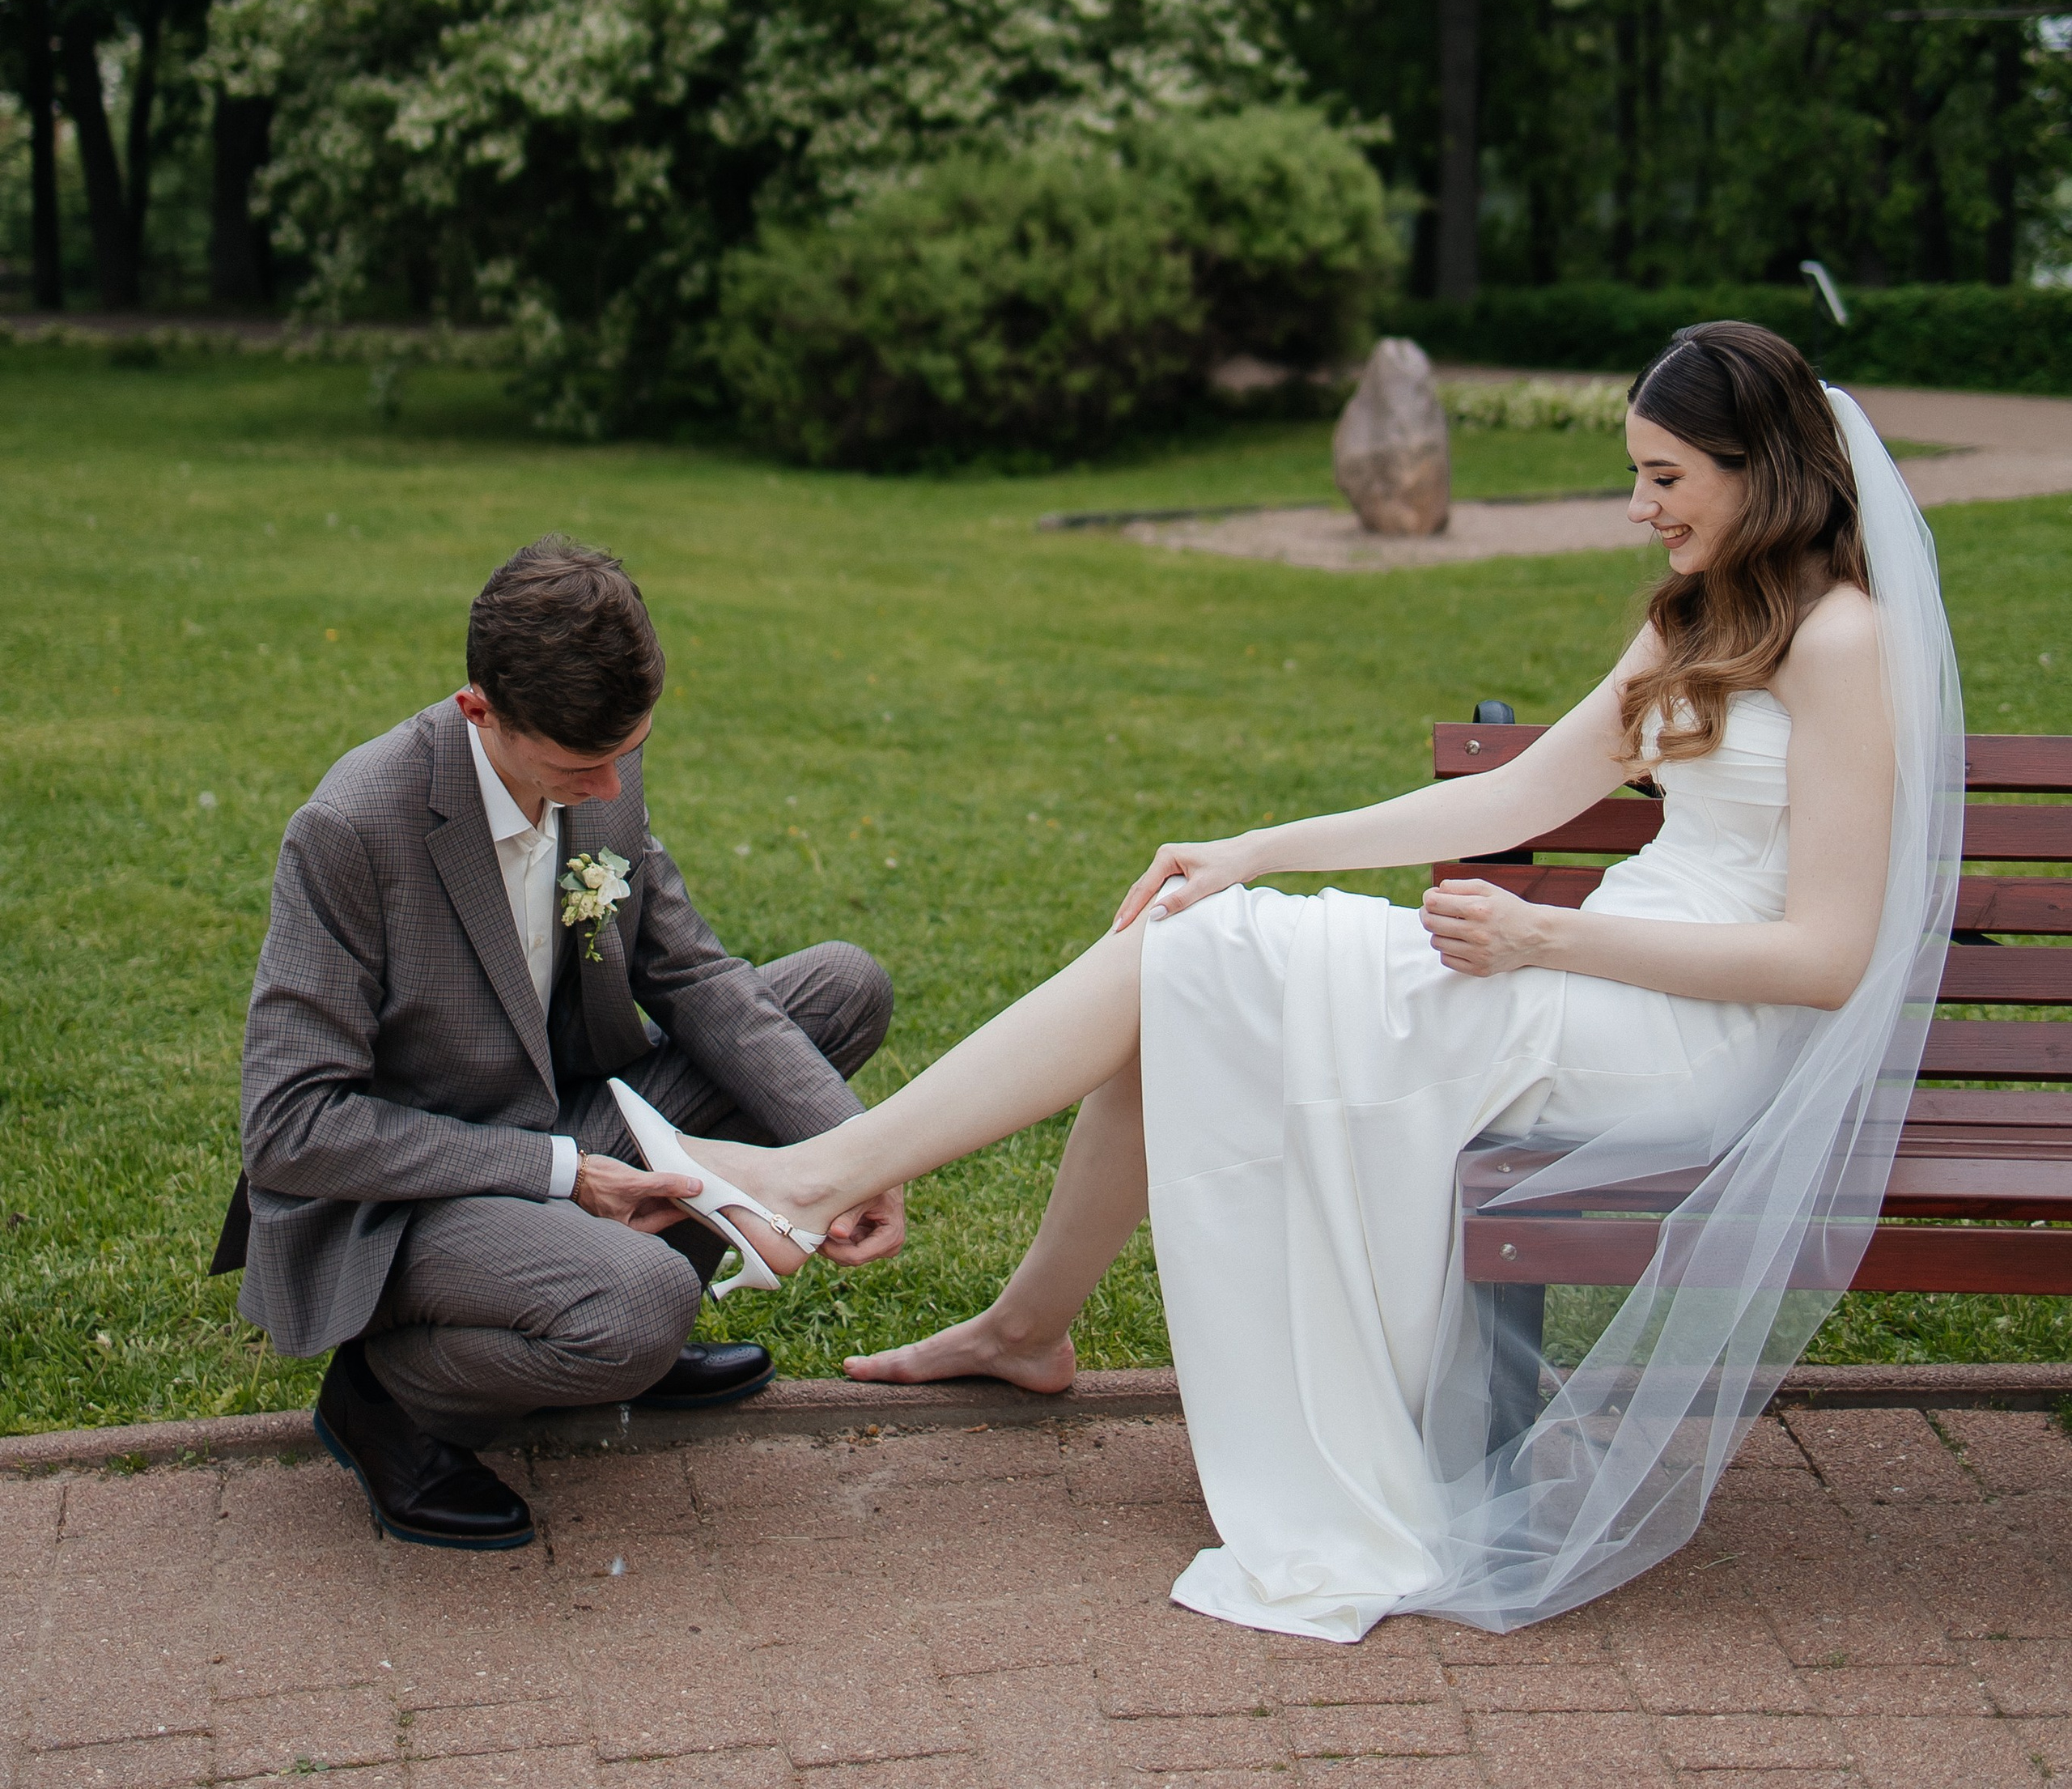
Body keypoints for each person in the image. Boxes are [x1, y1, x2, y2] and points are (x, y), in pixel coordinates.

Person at [633, 323, 1962, 1636]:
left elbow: (1827, 960)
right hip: (1593, 988)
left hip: (1691, 1040)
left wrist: (1549, 936)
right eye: (1638, 472)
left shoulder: (1844, 641)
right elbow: (1517, 789)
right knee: (1194, 969)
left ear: (1763, 466)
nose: (1638, 507)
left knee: (1191, 967)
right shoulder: (1707, 611)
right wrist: (1257, 847)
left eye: (1667, 477)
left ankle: (820, 1185)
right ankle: (1010, 1314)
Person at [222, 535, 904, 1551]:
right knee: (641, 1307)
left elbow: (692, 975)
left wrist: (855, 1158)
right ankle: (385, 1400)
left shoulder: (603, 763)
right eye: (581, 767)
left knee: (842, 989)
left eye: (628, 752)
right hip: (409, 1200)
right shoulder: (351, 828)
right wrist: (560, 1175)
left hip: (565, 1114)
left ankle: (581, 1288)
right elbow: (290, 1128)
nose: (608, 790)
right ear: (478, 711)